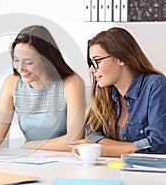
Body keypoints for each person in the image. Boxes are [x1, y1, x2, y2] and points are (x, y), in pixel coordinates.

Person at [0, 25, 86, 154]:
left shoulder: (71, 83)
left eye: (28, 62)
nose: (20, 68)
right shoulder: (12, 82)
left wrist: (31, 146)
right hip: (30, 159)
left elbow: (74, 140)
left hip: (66, 161)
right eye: (16, 60)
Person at [71, 27, 166, 157]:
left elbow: (158, 144)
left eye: (97, 61)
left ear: (121, 59)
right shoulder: (106, 92)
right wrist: (124, 148)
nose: (92, 70)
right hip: (114, 169)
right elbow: (91, 133)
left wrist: (104, 149)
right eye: (91, 63)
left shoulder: (156, 86)